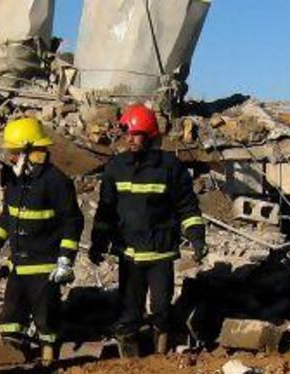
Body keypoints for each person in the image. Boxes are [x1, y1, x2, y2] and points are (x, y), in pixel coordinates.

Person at [89, 104, 207, 357]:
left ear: (151, 135)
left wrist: (197, 239)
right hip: (129, 255)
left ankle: (160, 356)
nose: (130, 139)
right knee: (129, 312)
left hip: (160, 253)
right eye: (127, 134)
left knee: (161, 309)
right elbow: (105, 212)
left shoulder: (170, 167)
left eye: (136, 134)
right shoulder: (116, 167)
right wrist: (98, 242)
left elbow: (187, 206)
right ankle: (131, 362)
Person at [0, 117, 84, 365]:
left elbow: (72, 222)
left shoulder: (57, 182)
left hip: (44, 268)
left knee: (46, 322)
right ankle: (15, 368)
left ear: (30, 151)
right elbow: (7, 218)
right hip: (19, 266)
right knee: (10, 321)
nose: (10, 158)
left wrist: (65, 261)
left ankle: (49, 367)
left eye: (14, 153)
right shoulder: (16, 182)